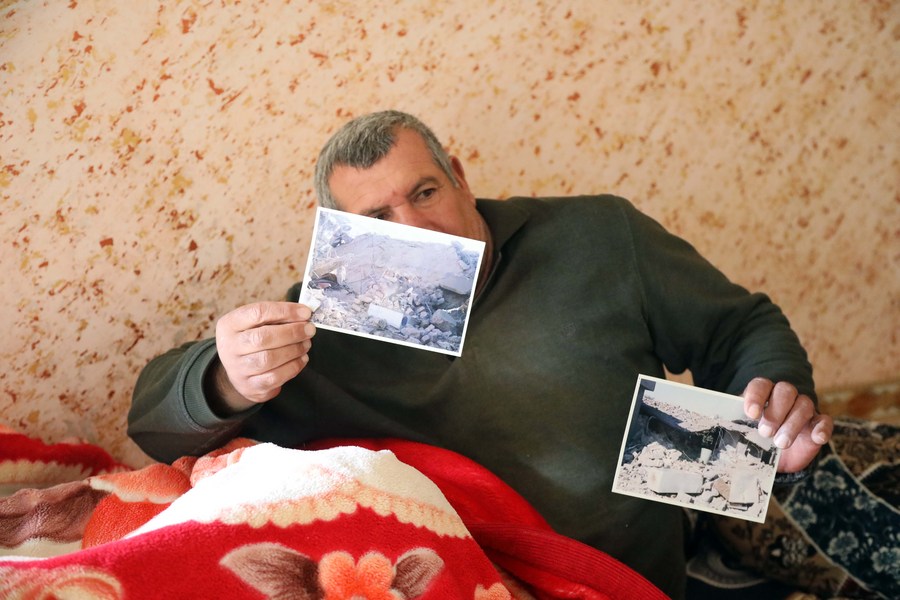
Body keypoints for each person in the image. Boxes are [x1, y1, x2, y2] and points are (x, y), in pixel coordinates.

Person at [128, 110, 833, 598]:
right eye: (377, 219)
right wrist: (226, 377)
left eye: (425, 192)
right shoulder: (332, 318)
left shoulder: (596, 237)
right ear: (348, 236)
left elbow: (740, 328)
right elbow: (153, 426)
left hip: (641, 569)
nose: (416, 227)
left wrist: (772, 403)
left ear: (460, 178)